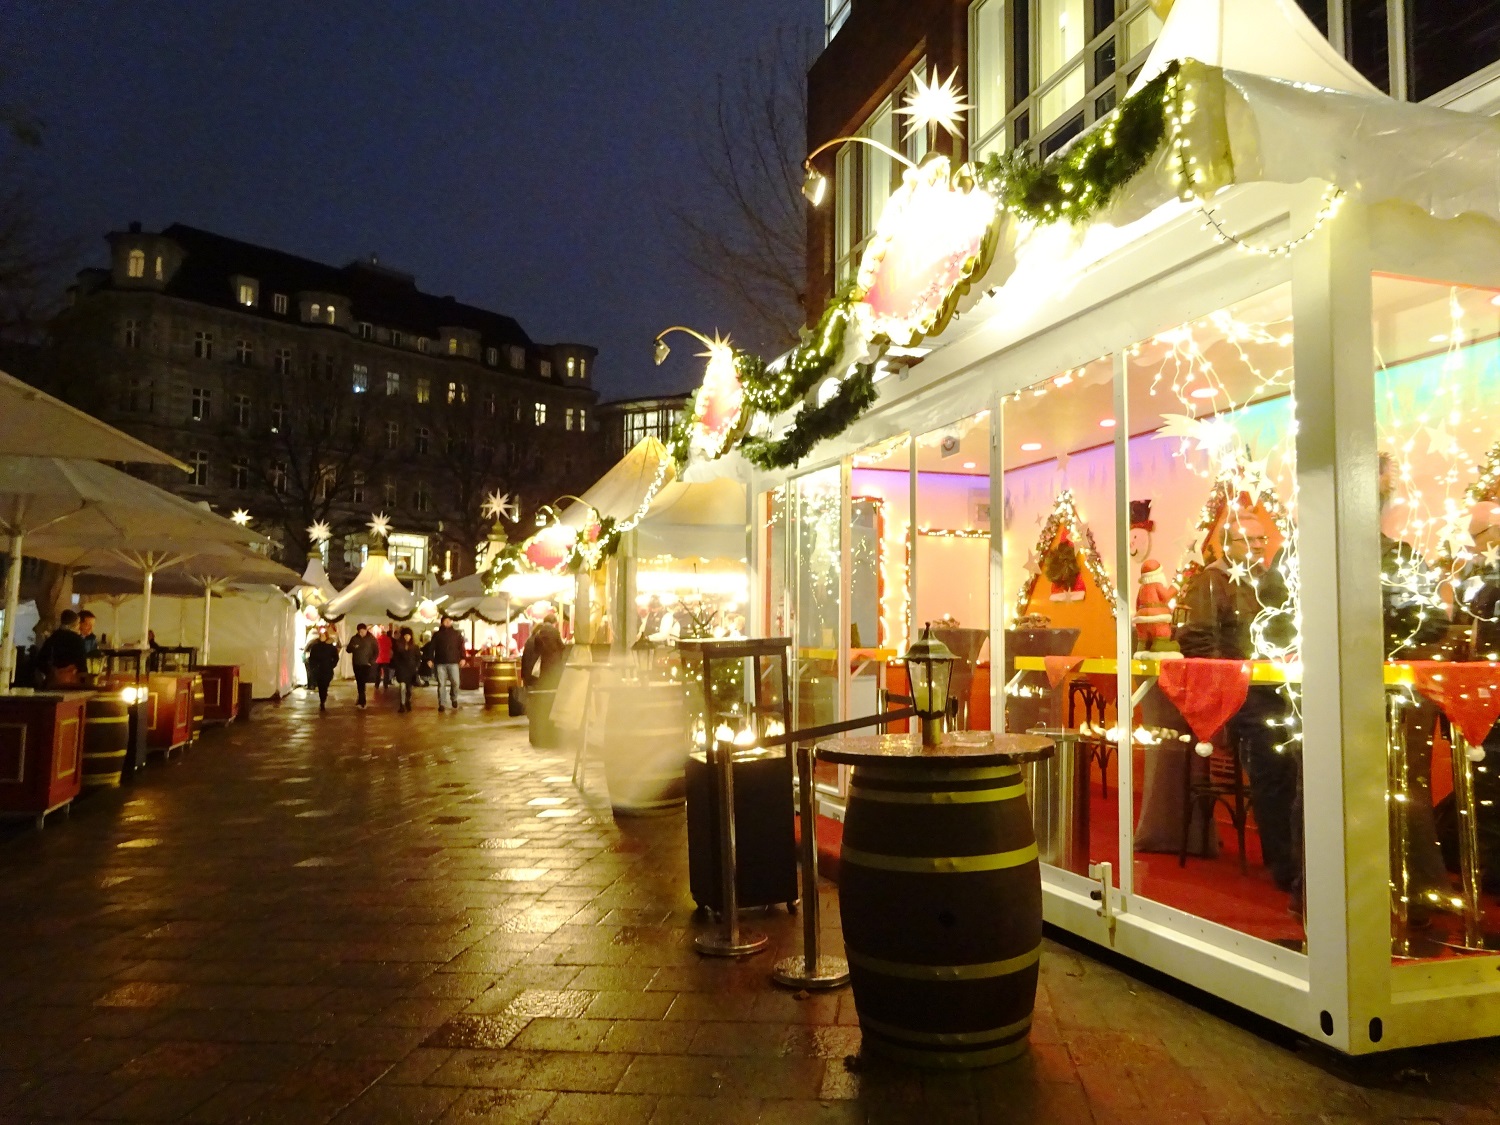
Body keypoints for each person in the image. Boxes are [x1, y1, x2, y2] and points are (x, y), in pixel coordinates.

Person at [1177, 512, 1302, 903]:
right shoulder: (1212, 582)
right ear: (1227, 545)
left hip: (1282, 690)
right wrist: (1226, 689)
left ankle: (1295, 861)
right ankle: (1286, 867)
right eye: (1249, 541)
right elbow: (1197, 639)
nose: (1259, 547)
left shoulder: (1271, 581)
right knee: (1272, 776)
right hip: (1248, 695)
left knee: (1291, 776)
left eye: (1263, 539)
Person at [35, 609, 89, 688]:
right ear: (74, 624)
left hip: (53, 682)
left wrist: (51, 672)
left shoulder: (53, 637)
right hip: (72, 682)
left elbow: (40, 660)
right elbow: (81, 663)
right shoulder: (77, 640)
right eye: (78, 624)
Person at [522, 611, 567, 691]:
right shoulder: (553, 632)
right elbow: (562, 648)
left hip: (531, 673)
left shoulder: (532, 639)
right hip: (545, 671)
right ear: (554, 623)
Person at [431, 615, 466, 712]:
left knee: (456, 682)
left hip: (453, 662)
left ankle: (453, 697)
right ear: (442, 622)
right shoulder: (437, 635)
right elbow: (432, 647)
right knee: (441, 684)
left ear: (451, 622)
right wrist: (430, 659)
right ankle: (442, 703)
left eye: (449, 621)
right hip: (440, 662)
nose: (447, 622)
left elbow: (461, 646)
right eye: (445, 621)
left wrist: (463, 658)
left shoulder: (457, 634)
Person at [305, 628, 339, 712]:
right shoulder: (315, 646)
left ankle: (323, 698)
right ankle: (322, 701)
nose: (322, 637)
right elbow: (311, 658)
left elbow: (336, 658)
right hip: (318, 669)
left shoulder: (331, 647)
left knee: (325, 685)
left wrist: (332, 665)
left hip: (327, 669)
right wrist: (313, 666)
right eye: (321, 635)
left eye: (324, 635)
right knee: (321, 686)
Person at [345, 622, 379, 708]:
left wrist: (371, 661)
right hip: (357, 663)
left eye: (363, 631)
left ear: (366, 630)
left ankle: (362, 701)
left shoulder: (371, 639)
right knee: (359, 681)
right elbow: (348, 650)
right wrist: (353, 647)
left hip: (366, 664)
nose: (361, 633)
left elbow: (376, 651)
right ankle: (360, 698)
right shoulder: (354, 638)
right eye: (360, 631)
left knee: (362, 682)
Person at [391, 626, 421, 713]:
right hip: (402, 669)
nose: (407, 637)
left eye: (408, 635)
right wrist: (397, 666)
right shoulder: (398, 646)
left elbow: (418, 657)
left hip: (411, 670)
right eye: (405, 635)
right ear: (403, 636)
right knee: (402, 687)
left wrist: (416, 666)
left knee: (409, 688)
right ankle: (402, 704)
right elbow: (395, 658)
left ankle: (408, 701)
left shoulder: (415, 647)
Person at [375, 625, 393, 690]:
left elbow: (376, 648)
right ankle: (385, 685)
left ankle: (377, 684)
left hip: (378, 658)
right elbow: (390, 647)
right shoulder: (388, 639)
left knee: (378, 672)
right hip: (386, 658)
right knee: (386, 673)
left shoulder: (378, 639)